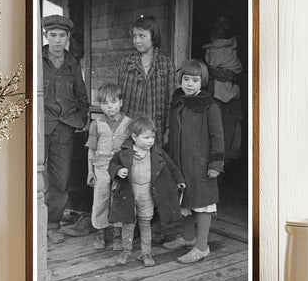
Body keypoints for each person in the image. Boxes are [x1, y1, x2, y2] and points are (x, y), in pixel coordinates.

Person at [163, 60, 224, 263]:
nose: (189, 84)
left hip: (201, 164)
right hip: (180, 161)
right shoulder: (178, 100)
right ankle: (188, 238)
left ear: (202, 82)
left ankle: (202, 246)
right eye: (186, 79)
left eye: (195, 80)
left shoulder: (209, 105)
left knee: (203, 203)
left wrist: (216, 164)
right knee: (185, 200)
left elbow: (217, 136)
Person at [108, 117, 185, 267]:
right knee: (128, 224)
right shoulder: (124, 152)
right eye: (146, 137)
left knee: (145, 223)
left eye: (152, 137)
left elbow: (172, 166)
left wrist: (179, 179)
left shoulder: (157, 152)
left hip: (147, 194)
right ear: (134, 137)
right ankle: (125, 251)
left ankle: (146, 252)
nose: (151, 141)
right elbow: (112, 165)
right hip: (129, 194)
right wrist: (118, 170)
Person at [42, 14, 90, 244]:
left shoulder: (73, 63)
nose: (58, 40)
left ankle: (52, 225)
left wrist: (80, 120)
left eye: (62, 36)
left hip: (65, 129)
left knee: (60, 180)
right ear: (46, 36)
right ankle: (33, 221)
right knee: (37, 177)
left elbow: (82, 97)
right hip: (41, 127)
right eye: (53, 35)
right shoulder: (36, 59)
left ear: (68, 37)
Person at [117, 15, 176, 146]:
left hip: (155, 130)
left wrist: (168, 129)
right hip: (129, 129)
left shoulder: (165, 64)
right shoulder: (126, 63)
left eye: (142, 36)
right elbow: (118, 96)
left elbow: (171, 100)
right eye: (134, 36)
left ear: (153, 36)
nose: (137, 40)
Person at [86, 83, 131, 250]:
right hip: (101, 169)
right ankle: (100, 233)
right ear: (100, 105)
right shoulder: (96, 124)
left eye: (113, 102)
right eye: (105, 103)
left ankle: (118, 235)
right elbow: (91, 149)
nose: (110, 106)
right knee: (101, 200)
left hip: (120, 169)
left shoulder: (128, 124)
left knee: (118, 200)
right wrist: (90, 171)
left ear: (121, 102)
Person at [203, 14, 243, 161]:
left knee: (228, 134)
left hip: (230, 98)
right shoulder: (211, 48)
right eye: (218, 23)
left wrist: (216, 71)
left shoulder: (233, 48)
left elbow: (236, 71)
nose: (221, 27)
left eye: (224, 23)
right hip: (216, 96)